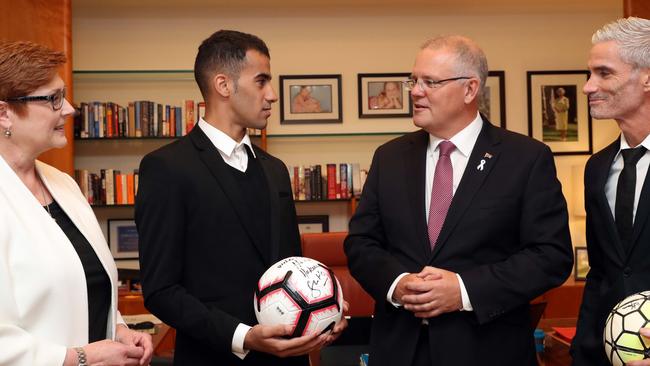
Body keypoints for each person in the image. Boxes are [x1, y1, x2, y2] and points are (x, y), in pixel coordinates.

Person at [344, 35, 573, 366]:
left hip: (487, 349)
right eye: (414, 80)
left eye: (430, 82)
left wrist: (464, 290)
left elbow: (551, 256)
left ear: (470, 89)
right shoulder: (389, 157)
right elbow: (362, 243)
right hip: (400, 350)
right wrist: (398, 284)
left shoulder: (525, 158)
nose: (415, 91)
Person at [135, 30, 346, 365]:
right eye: (261, 81)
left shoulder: (275, 169)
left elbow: (291, 266)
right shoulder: (166, 168)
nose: (273, 95)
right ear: (223, 85)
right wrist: (242, 336)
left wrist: (324, 308)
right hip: (213, 358)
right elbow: (161, 291)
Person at [0, 41, 152, 366]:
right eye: (54, 99)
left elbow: (85, 284)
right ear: (4, 114)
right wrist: (79, 358)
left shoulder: (63, 184)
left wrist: (120, 329)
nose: (69, 109)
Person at [571, 17, 650, 366]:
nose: (588, 87)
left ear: (647, 78)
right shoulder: (597, 167)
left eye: (604, 73)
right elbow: (601, 273)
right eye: (590, 74)